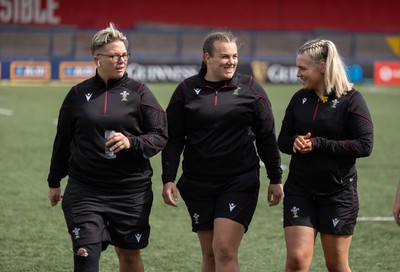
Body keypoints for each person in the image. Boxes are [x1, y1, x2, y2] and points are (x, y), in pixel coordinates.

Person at [47, 22, 168, 272]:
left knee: (129, 257)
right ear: (97, 59)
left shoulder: (140, 93)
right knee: (84, 253)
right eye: (114, 55)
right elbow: (63, 140)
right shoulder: (77, 94)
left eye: (124, 54)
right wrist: (54, 181)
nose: (121, 59)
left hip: (130, 191)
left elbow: (160, 134)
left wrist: (131, 142)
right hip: (85, 190)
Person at [161, 30, 283, 272]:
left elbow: (266, 136)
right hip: (197, 183)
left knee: (225, 250)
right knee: (209, 254)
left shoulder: (250, 88)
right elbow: (174, 139)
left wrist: (275, 177)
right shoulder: (186, 90)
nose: (231, 62)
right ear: (206, 57)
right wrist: (168, 178)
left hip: (239, 179)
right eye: (225, 56)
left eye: (235, 56)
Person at [278, 39, 374, 272]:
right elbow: (282, 140)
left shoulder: (352, 100)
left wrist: (319, 144)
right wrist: (295, 142)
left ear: (323, 67)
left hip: (338, 193)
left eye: (303, 68)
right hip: (300, 190)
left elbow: (364, 145)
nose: (298, 74)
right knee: (297, 261)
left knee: (336, 265)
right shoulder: (299, 98)